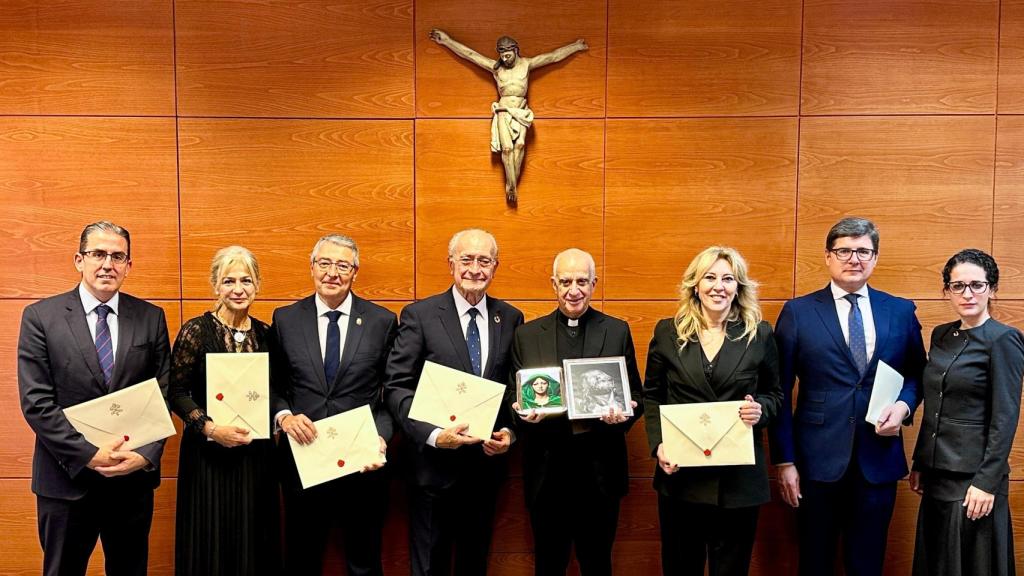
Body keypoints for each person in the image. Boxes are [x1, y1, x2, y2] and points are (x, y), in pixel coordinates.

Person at [769, 216, 927, 576]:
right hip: (815, 463)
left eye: (863, 251)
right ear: (828, 256)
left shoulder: (900, 310)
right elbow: (777, 388)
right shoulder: (799, 312)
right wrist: (785, 461)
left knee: (867, 563)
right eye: (844, 251)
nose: (854, 258)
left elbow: (918, 373)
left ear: (875, 257)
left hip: (878, 460)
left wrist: (903, 406)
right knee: (814, 560)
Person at [18, 220, 171, 576]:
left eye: (118, 256)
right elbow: (37, 402)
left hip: (130, 481)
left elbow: (161, 393)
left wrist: (146, 457)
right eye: (98, 254)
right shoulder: (41, 317)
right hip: (65, 481)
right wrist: (90, 454)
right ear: (78, 260)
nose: (107, 264)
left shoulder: (150, 317)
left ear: (129, 265)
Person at [385, 228, 524, 576]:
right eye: (467, 259)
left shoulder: (510, 318)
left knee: (474, 565)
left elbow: (512, 387)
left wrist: (509, 430)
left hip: (485, 470)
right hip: (433, 468)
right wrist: (434, 435)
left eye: (484, 260)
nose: (475, 268)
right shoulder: (420, 315)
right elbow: (396, 387)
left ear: (495, 266)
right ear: (451, 264)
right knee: (429, 567)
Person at [643, 246, 782, 576]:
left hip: (738, 484)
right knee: (680, 568)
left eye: (728, 278)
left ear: (738, 287)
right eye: (710, 277)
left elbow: (774, 394)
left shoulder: (759, 334)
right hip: (681, 478)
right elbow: (652, 395)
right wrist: (658, 445)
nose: (719, 286)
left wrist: (760, 409)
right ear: (695, 284)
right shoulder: (667, 331)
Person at [510, 248, 642, 576]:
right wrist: (523, 415)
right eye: (566, 281)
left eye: (582, 281)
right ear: (553, 284)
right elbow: (515, 399)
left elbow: (635, 393)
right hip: (547, 472)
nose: (574, 290)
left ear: (594, 284)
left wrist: (623, 414)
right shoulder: (526, 334)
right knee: (548, 564)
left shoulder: (617, 330)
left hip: (599, 471)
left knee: (598, 564)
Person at [271, 234, 396, 576]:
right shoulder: (285, 319)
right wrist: (283, 416)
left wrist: (381, 437)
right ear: (312, 267)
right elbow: (274, 385)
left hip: (362, 464)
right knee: (301, 557)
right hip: (304, 458)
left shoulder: (382, 321)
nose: (332, 273)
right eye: (324, 263)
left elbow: (390, 393)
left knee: (364, 560)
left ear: (355, 271)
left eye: (342, 265)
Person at [910, 248, 1024, 576]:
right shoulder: (941, 335)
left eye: (977, 285)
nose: (968, 294)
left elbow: (1005, 416)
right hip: (937, 472)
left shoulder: (1004, 340)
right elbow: (935, 403)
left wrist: (987, 482)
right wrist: (920, 462)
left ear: (992, 289)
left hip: (974, 480)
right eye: (958, 286)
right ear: (946, 291)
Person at [169, 245, 280, 575]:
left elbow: (277, 391)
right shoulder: (195, 331)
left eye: (246, 280)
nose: (238, 289)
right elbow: (176, 392)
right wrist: (210, 428)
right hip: (208, 458)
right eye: (228, 280)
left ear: (257, 284)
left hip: (255, 457)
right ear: (215, 285)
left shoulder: (268, 335)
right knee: (210, 540)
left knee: (254, 538)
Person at [428, 29, 587, 202]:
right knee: (507, 149)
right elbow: (470, 55)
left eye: (508, 55)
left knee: (519, 145)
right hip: (503, 111)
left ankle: (511, 184)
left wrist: (576, 46)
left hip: (521, 110)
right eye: (502, 56)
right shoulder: (496, 69)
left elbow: (552, 57)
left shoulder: (526, 64)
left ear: (516, 51)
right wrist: (447, 41)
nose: (505, 59)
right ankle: (511, 186)